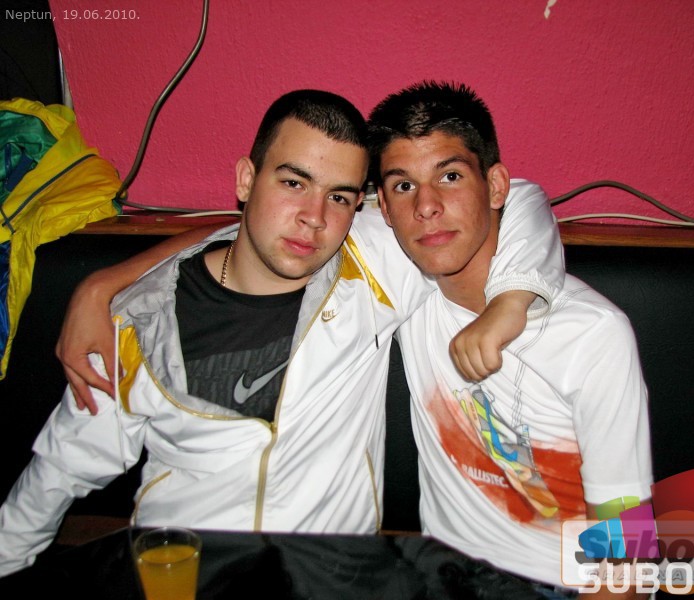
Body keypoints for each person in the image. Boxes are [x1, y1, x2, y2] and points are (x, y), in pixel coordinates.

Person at [0, 89, 563, 577]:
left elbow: (514, 198)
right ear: (246, 179)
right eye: (293, 182)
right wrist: (103, 285)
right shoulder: (141, 322)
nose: (314, 217)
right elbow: (60, 470)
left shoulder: (376, 264)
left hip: (329, 579)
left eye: (339, 196)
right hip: (189, 577)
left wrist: (512, 300)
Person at [367, 82, 653, 597]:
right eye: (404, 185)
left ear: (496, 186)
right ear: (384, 209)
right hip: (439, 570)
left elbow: (627, 546)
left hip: (561, 584)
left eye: (450, 176)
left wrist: (512, 300)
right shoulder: (409, 289)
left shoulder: (592, 333)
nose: (427, 206)